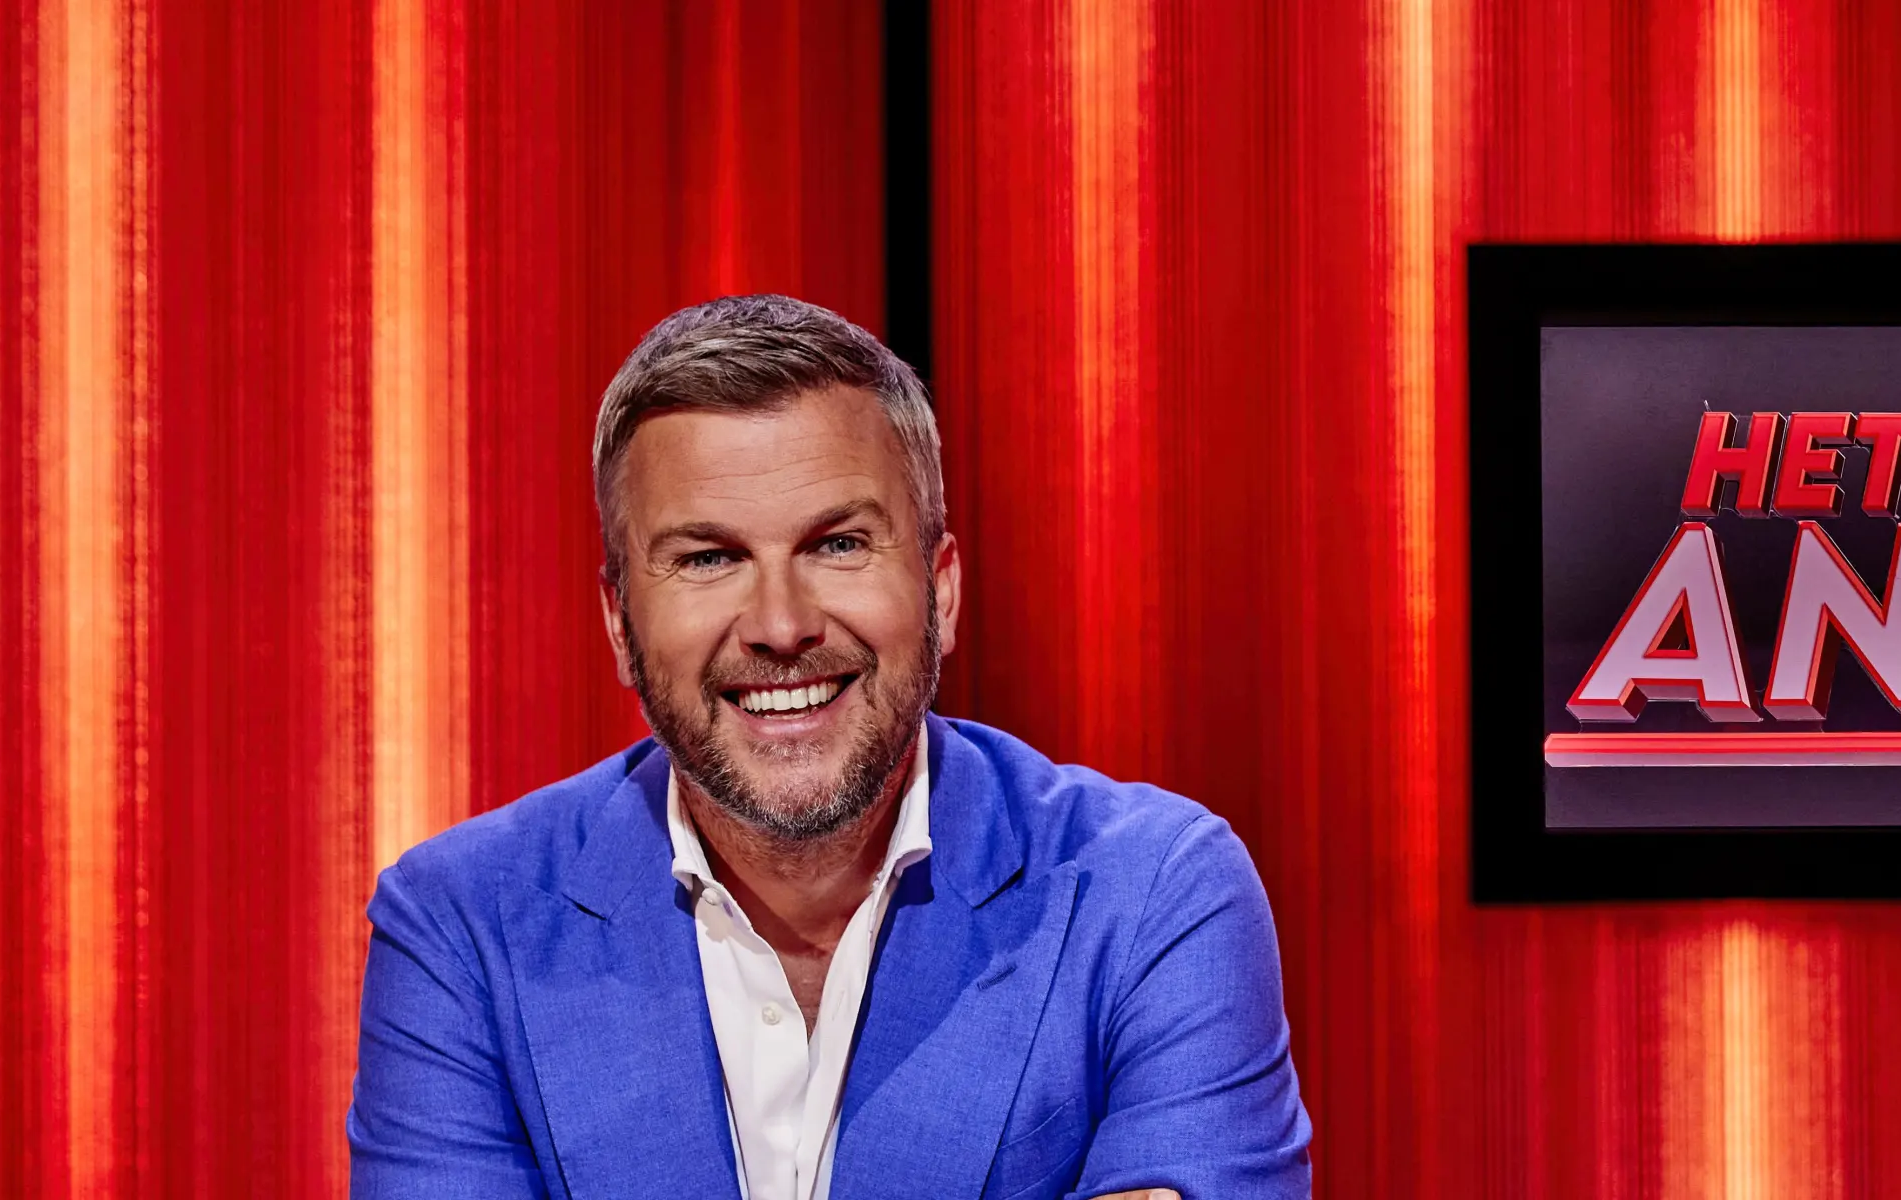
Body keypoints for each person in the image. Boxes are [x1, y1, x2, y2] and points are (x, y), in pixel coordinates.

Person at [348, 295, 1310, 1200]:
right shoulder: (459, 926)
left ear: (940, 589)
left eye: (839, 544)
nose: (780, 625)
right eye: (709, 558)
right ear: (619, 623)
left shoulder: (1152, 892)